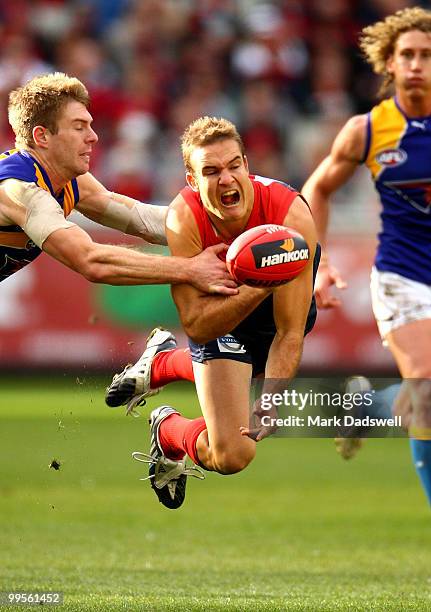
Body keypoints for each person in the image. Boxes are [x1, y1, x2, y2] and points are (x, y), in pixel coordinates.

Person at [301, 7, 431, 573]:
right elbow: (317, 187)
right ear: (388, 64)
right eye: (405, 55)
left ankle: (361, 408)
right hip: (399, 276)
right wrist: (318, 264)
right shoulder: (366, 129)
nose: (415, 65)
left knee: (423, 405)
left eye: (426, 55)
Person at [107, 116, 319, 509]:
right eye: (211, 171)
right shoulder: (183, 218)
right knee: (234, 456)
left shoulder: (291, 218)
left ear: (247, 166)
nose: (226, 180)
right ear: (191, 178)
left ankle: (164, 364)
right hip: (221, 316)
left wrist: (270, 400)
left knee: (256, 382)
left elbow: (290, 332)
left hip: (274, 317)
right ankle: (169, 429)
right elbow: (197, 325)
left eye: (234, 165)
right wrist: (256, 287)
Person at [0, 72, 237, 294]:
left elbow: (142, 220)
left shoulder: (69, 180)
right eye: (79, 127)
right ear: (41, 136)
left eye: (90, 125)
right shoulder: (19, 189)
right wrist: (190, 269)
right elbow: (90, 260)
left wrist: (228, 226)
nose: (93, 136)